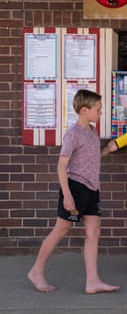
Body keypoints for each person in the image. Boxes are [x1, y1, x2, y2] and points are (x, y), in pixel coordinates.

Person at [27, 89, 120, 294]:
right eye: (98, 109)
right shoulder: (73, 133)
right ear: (85, 110)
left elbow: (91, 159)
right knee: (61, 229)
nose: (101, 113)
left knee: (94, 232)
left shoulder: (92, 132)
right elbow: (61, 166)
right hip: (75, 188)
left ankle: (93, 281)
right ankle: (36, 271)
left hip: (92, 189)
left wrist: (107, 150)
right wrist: (67, 195)